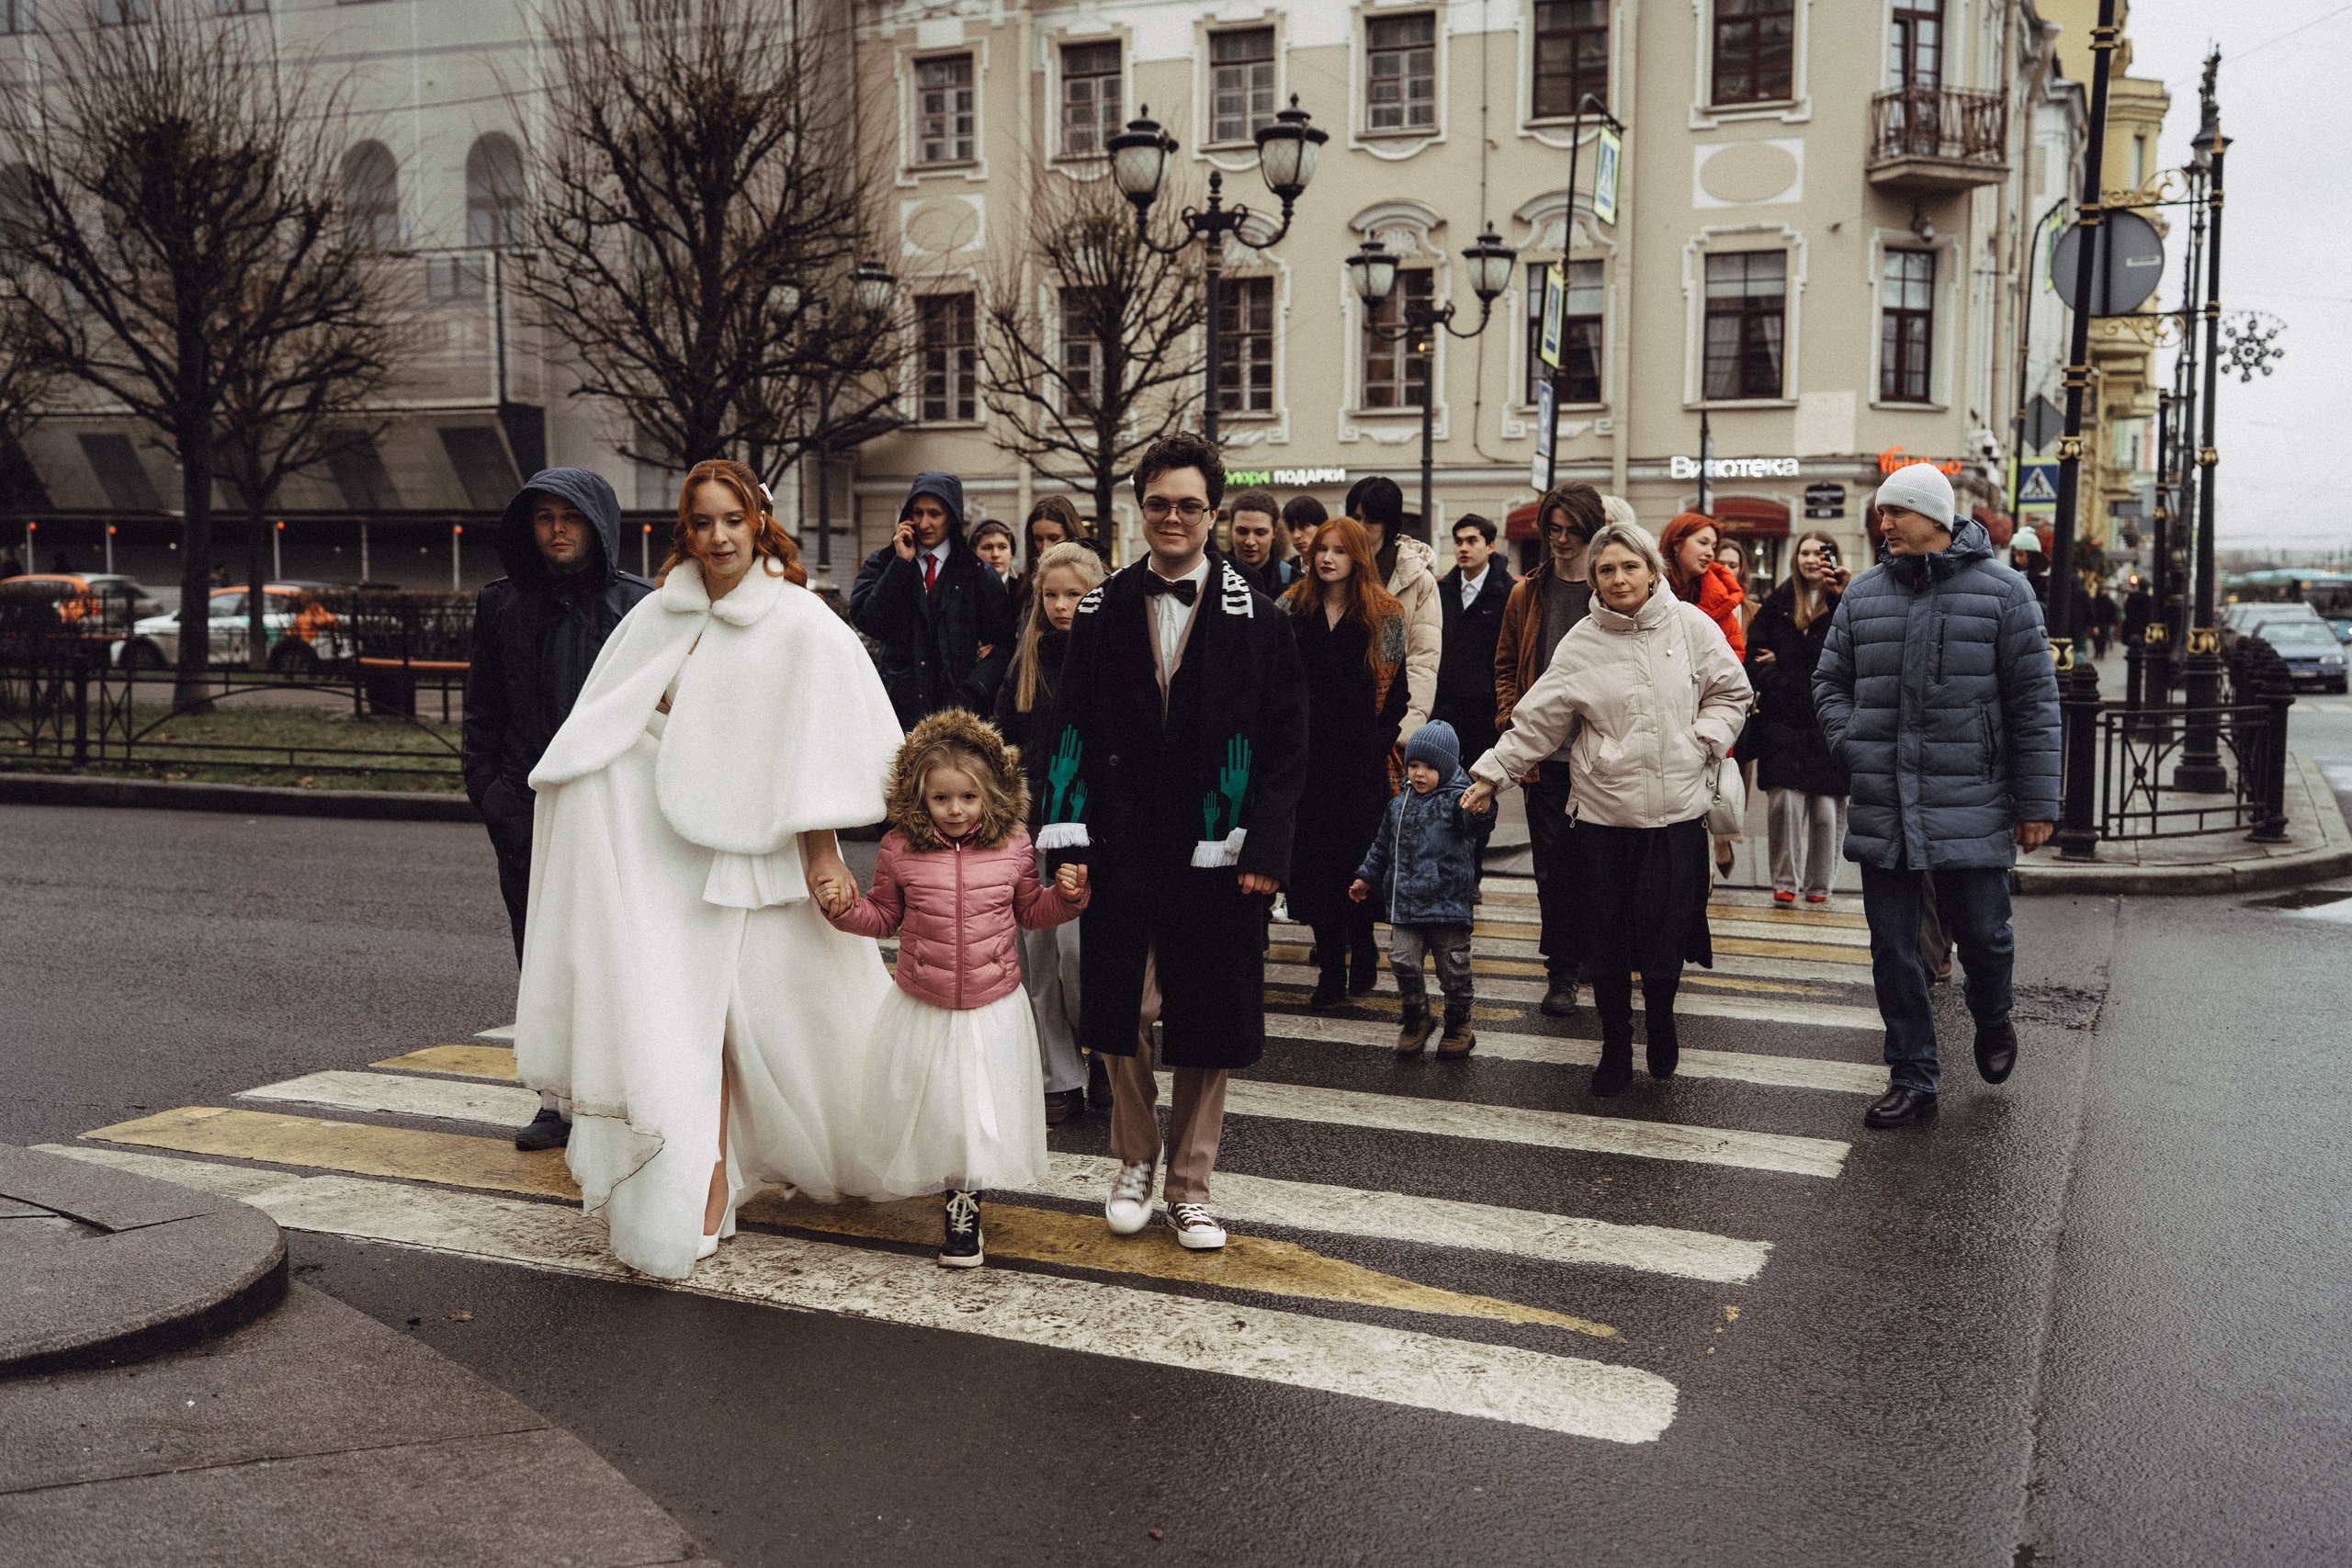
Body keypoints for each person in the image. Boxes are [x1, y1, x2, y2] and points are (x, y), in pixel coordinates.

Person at [514, 459, 904, 1279]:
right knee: (687, 1028)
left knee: (779, 1023)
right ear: (682, 531)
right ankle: (710, 1181)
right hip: (669, 863)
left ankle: (769, 1165)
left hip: (762, 858)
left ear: (759, 522)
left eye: (733, 519)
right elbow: (604, 726)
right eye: (703, 522)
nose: (719, 537)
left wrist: (822, 849)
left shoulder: (800, 621)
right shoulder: (659, 616)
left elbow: (825, 741)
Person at [1040, 431, 1309, 1252]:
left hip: (1216, 850)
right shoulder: (1098, 608)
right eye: (1158, 502)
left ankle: (1192, 1184)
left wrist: (1266, 848)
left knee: (1207, 1016)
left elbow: (1286, 744)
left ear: (1215, 514)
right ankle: (1134, 1158)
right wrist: (1067, 841)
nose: (1173, 517)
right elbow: (1070, 727)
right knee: (1122, 1010)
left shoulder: (1261, 619)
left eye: (1190, 504)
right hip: (1122, 841)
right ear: (1140, 507)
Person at [1464, 519, 1752, 1096]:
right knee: (1609, 941)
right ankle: (1616, 1047)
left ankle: (1663, 1019)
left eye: (1630, 566)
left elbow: (1733, 692)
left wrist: (1704, 738)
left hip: (1676, 818)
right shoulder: (1581, 640)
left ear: (1652, 570)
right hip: (1602, 817)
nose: (1619, 579)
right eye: (1606, 570)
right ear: (1595, 579)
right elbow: (1538, 721)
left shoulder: (1691, 625)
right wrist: (1492, 775)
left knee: (1666, 935)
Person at [1813, 461, 2060, 1132]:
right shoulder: (1863, 595)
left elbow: (2035, 704)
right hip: (1885, 801)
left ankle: (1994, 1015)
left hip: (1971, 799)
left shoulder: (2005, 593)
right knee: (1894, 949)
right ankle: (1913, 1076)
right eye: (1882, 513)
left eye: (1895, 511)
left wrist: (2037, 803)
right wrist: (1852, 744)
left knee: (1984, 933)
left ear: (1934, 516)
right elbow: (1829, 682)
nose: (1883, 523)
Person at [814, 710, 1089, 1268]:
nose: (956, 810)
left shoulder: (1013, 845)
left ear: (990, 794)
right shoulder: (899, 847)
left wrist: (1069, 898)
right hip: (925, 1003)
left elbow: (1031, 912)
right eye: (942, 799)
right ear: (921, 798)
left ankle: (964, 1206)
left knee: (974, 1109)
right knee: (938, 1103)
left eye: (967, 797)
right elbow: (885, 916)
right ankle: (946, 1182)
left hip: (993, 1004)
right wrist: (844, 912)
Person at [461, 468, 655, 1152]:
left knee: (611, 952)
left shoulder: (638, 606)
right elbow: (482, 712)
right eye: (543, 518)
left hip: (610, 814)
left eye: (569, 517)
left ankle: (618, 1090)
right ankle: (554, 1097)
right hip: (526, 809)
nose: (557, 530)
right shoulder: (501, 605)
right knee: (539, 954)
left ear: (597, 523)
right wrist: (490, 795)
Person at [994, 540, 1109, 1125]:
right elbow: (1002, 745)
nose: (1063, 606)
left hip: (1100, 828)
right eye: (1053, 595)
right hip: (1035, 827)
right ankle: (1058, 1076)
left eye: (1077, 594)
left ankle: (1110, 1055)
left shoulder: (1121, 660)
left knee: (1083, 954)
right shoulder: (1028, 661)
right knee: (1038, 958)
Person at [1282, 517, 1410, 1009]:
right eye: (1320, 549)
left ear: (1359, 556)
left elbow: (1397, 690)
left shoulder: (1385, 612)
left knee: (1358, 863)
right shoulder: (1293, 605)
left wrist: (1379, 740)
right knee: (1315, 867)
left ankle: (1365, 947)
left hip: (1361, 762)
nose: (1327, 558)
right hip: (1308, 759)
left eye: (1338, 550)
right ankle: (1331, 969)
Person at [1492, 481, 1600, 1017]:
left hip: (1603, 758)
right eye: (1553, 530)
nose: (1560, 540)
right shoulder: (1527, 592)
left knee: (1598, 866)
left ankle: (1597, 958)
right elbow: (1507, 661)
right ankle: (1560, 971)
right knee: (1552, 869)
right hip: (1544, 760)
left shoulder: (1611, 589)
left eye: (1571, 531)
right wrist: (1511, 717)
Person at [1351, 720, 1495, 1058]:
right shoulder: (1398, 805)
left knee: (1454, 970)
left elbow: (1477, 823)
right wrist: (1366, 876)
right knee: (1402, 961)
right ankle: (1416, 1017)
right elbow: (1382, 846)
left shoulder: (1460, 801)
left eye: (1429, 767)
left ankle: (1459, 1023)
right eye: (1414, 765)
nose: (1419, 773)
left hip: (1447, 905)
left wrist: (1484, 806)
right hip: (1406, 905)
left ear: (1446, 767)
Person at [851, 471, 1015, 731]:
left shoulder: (977, 573)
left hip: (959, 716)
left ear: (951, 516)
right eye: (917, 513)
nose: (924, 523)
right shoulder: (883, 562)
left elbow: (1004, 644)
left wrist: (972, 693)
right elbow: (869, 621)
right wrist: (900, 564)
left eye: (934, 514)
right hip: (897, 710)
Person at [1746, 530, 1852, 907]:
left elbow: (1854, 658)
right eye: (1805, 552)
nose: (1811, 559)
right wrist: (1784, 676)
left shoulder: (1847, 604)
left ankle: (1820, 886)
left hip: (1828, 724)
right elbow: (1754, 659)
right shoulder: (1777, 605)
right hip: (1783, 722)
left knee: (1826, 811)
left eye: (1821, 553)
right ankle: (1784, 882)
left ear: (1833, 558)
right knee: (1784, 804)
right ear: (1795, 558)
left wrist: (1788, 661)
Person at [1662, 512, 1748, 877]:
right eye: (1702, 542)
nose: (1711, 552)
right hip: (1660, 711)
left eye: (1714, 544)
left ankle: (1704, 869)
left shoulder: (1719, 594)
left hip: (1701, 715)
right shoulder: (1650, 586)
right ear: (1676, 542)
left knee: (1699, 798)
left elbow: (1734, 659)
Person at [1343, 475, 1442, 740]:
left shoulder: (1418, 580)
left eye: (1371, 520)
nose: (1360, 527)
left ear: (1388, 524)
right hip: (1336, 720)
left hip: (1391, 722)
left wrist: (1406, 732)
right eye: (1354, 518)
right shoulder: (1335, 569)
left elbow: (1422, 662)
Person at [1433, 513, 1514, 769]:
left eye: (1471, 541)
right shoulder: (1441, 592)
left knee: (1479, 792)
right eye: (1458, 542)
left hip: (1486, 714)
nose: (1463, 548)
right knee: (1438, 787)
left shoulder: (1508, 593)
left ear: (1490, 546)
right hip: (1443, 712)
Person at [1225, 486, 1292, 596]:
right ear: (1231, 529)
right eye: (1242, 532)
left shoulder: (1292, 582)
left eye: (1260, 533)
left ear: (1274, 532)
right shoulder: (1212, 573)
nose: (1250, 542)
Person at [969, 518, 1018, 586]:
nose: (995, 554)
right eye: (987, 548)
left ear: (1011, 552)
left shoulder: (1027, 590)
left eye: (1002, 547)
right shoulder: (962, 591)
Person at [1283, 494, 1328, 564]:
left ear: (1322, 526)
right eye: (1290, 529)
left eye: (1303, 526)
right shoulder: (1284, 572)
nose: (1296, 536)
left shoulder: (1340, 569)